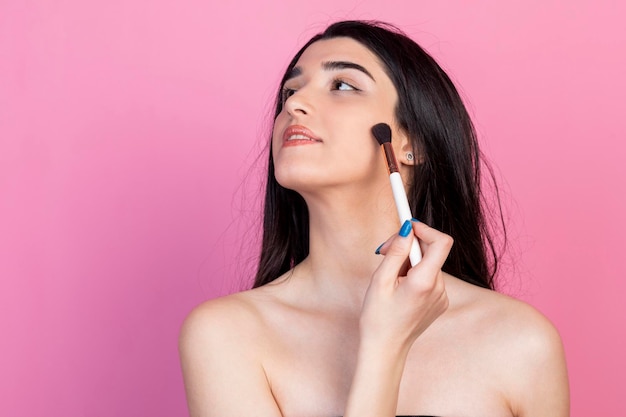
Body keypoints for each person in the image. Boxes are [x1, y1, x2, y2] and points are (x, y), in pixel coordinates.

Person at [179, 20, 569, 417]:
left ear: (411, 144)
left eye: (343, 85)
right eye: (290, 91)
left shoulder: (521, 342)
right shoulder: (227, 335)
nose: (293, 105)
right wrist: (384, 348)